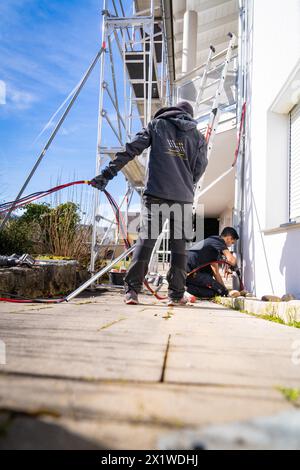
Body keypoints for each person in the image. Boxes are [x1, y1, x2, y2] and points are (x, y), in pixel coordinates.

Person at [91, 101, 208, 305]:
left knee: (146, 241)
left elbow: (132, 149)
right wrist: (188, 184)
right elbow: (200, 167)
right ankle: (176, 295)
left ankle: (132, 292)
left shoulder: (157, 125)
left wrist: (108, 173)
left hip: (156, 193)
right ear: (189, 116)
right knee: (180, 248)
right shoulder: (197, 137)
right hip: (183, 198)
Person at [186, 227, 239, 299]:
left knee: (215, 292)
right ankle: (185, 289)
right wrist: (235, 268)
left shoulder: (213, 248)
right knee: (219, 291)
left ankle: (186, 289)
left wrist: (223, 289)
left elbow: (216, 273)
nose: (230, 246)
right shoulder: (218, 241)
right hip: (190, 272)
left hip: (190, 275)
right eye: (232, 243)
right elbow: (231, 260)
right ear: (229, 238)